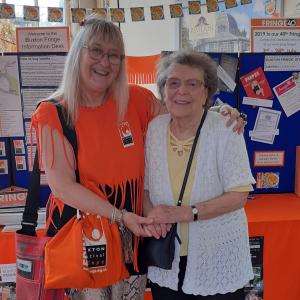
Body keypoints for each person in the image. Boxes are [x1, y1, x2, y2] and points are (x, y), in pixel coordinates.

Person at [31, 15, 246, 300]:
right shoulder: (53, 113)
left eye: (114, 55)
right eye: (96, 51)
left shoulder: (136, 100)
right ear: (77, 54)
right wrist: (121, 216)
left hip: (134, 239)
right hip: (87, 241)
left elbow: (184, 109)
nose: (104, 62)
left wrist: (222, 112)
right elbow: (62, 187)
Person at [143, 50, 255, 300]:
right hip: (166, 258)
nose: (182, 91)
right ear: (163, 90)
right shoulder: (153, 130)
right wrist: (152, 214)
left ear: (207, 93)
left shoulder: (225, 129)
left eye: (192, 84)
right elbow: (145, 189)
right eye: (173, 83)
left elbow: (239, 195)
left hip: (216, 257)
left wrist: (186, 213)